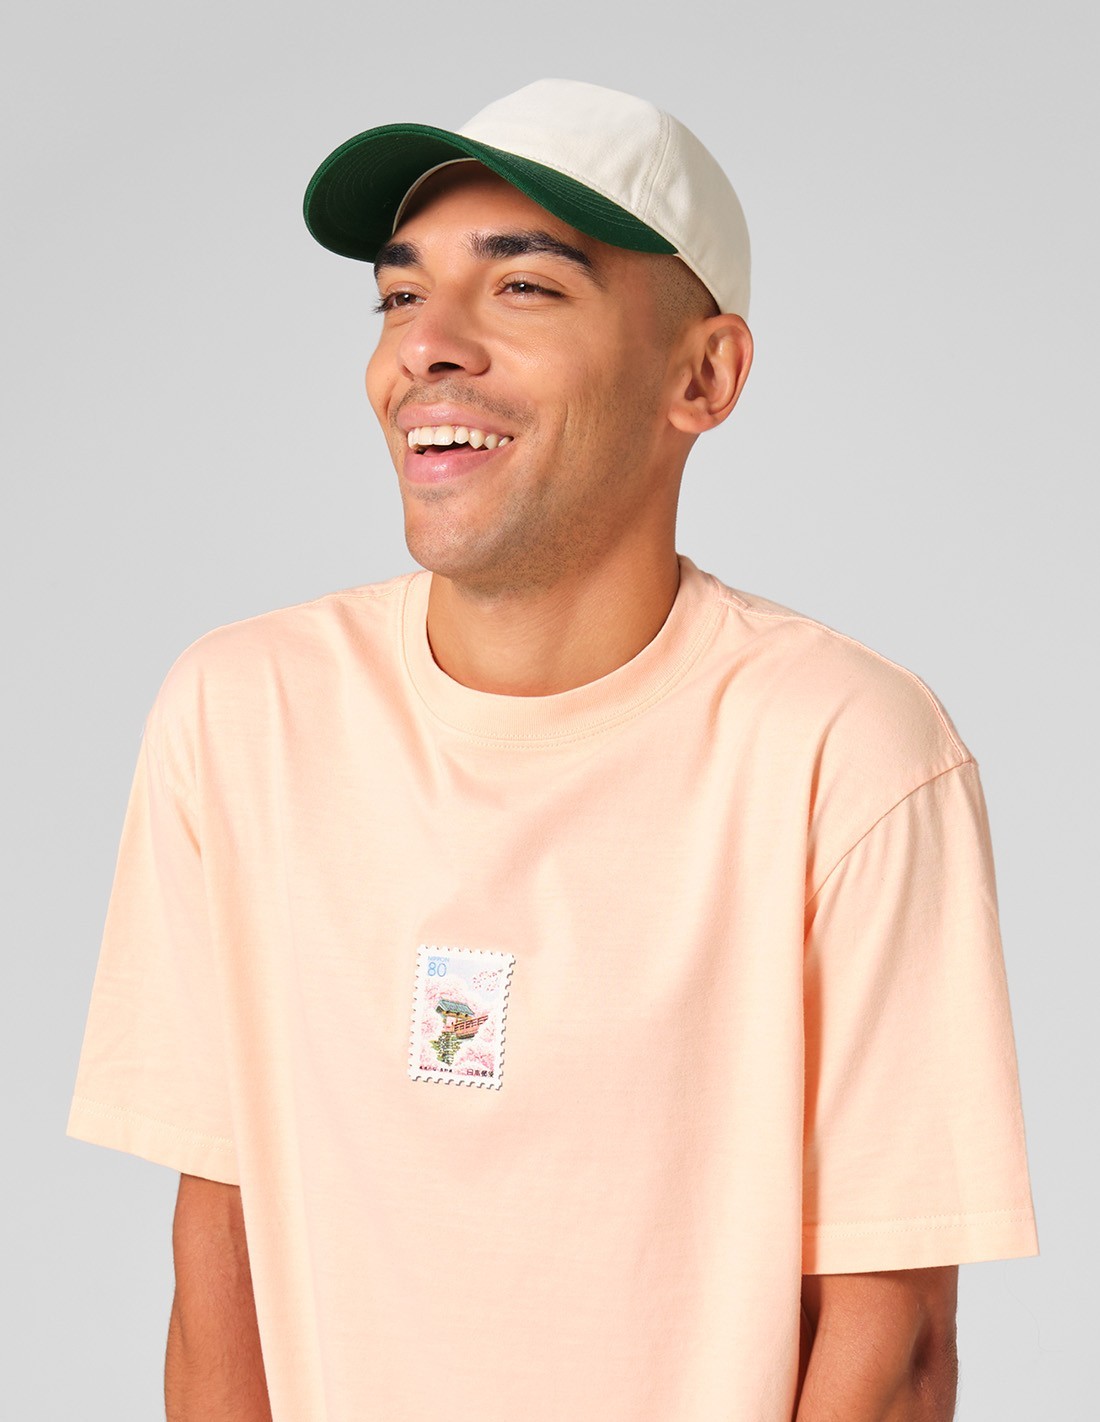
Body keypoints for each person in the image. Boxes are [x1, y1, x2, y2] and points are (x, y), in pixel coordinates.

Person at [67, 78, 1038, 1421]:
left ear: (705, 376)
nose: (428, 346)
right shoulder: (242, 713)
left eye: (523, 288)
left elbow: (895, 1341)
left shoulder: (847, 749)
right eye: (399, 294)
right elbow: (218, 1256)